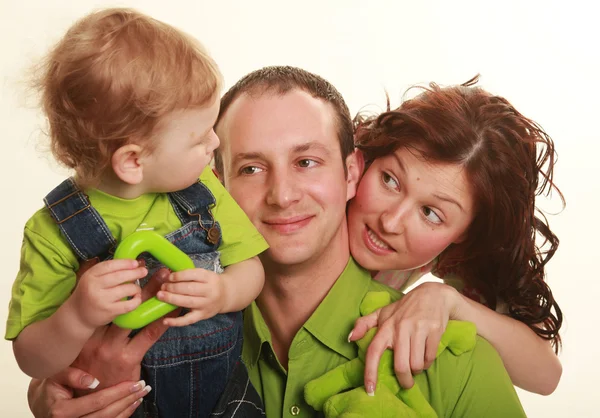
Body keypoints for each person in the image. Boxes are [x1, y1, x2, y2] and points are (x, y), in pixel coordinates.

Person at [26, 66, 526, 418]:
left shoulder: (451, 360)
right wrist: (66, 394)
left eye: (307, 162)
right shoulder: (158, 329)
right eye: (251, 167)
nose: (283, 195)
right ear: (213, 183)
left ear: (352, 173)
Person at [7, 8, 267, 418]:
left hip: (226, 399)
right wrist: (76, 315)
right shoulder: (54, 232)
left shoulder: (204, 192)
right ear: (133, 161)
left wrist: (223, 292)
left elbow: (251, 268)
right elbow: (32, 359)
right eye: (200, 138)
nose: (215, 142)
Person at [347, 77, 564, 395]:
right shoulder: (326, 179)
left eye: (430, 214)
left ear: (465, 234)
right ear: (371, 157)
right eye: (390, 180)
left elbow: (545, 375)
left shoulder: (452, 257)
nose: (391, 222)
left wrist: (448, 301)